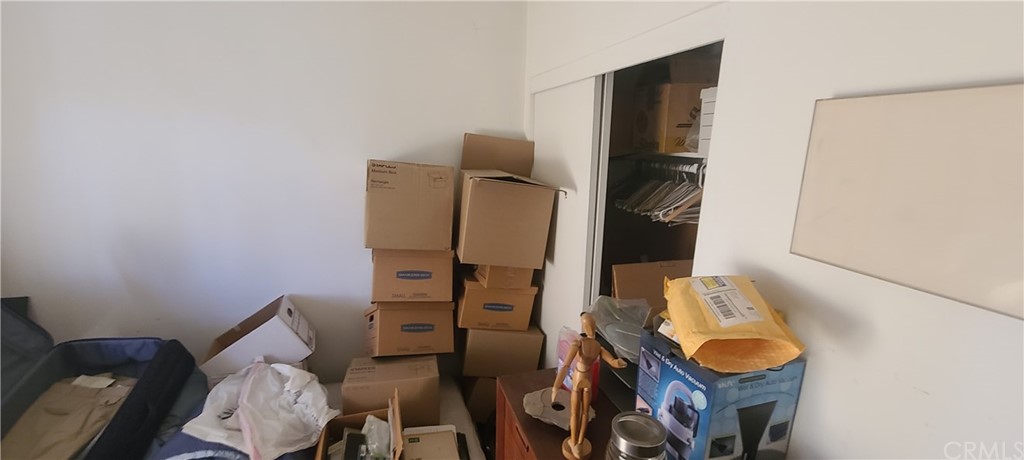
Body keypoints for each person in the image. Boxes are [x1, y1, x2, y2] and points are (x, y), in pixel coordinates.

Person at [551, 312, 628, 459]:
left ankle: (579, 442)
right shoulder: (578, 343)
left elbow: (611, 361)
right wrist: (556, 386)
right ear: (584, 326)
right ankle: (573, 441)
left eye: (591, 323)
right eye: (587, 323)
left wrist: (617, 362)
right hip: (578, 379)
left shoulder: (598, 346)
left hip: (587, 380)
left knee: (585, 412)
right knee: (575, 412)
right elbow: (566, 365)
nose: (590, 326)